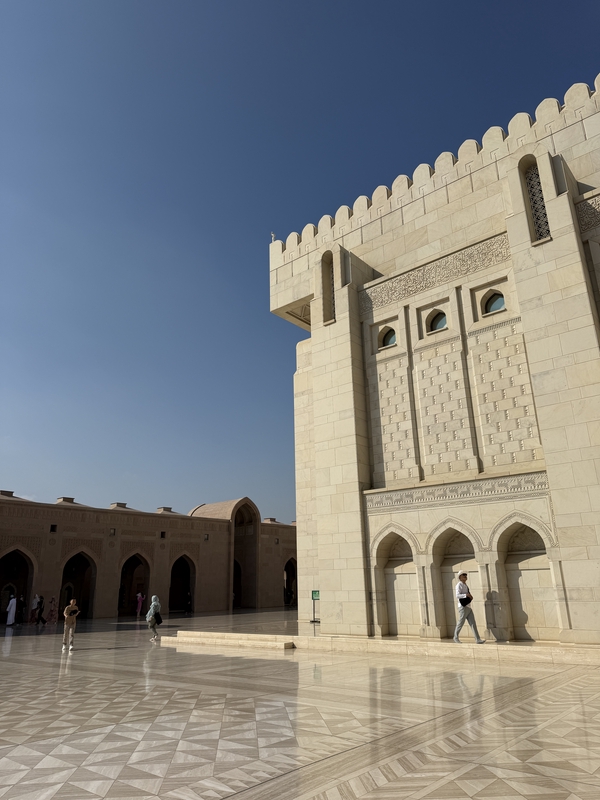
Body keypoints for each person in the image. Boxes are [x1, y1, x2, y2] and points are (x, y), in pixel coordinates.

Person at [453, 571, 485, 644]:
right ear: (460, 577)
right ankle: (455, 637)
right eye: (463, 575)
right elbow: (457, 595)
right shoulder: (459, 585)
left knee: (473, 623)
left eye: (466, 575)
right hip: (463, 607)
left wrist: (470, 596)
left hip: (468, 606)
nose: (465, 576)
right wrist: (466, 595)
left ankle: (478, 639)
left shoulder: (465, 585)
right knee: (460, 623)